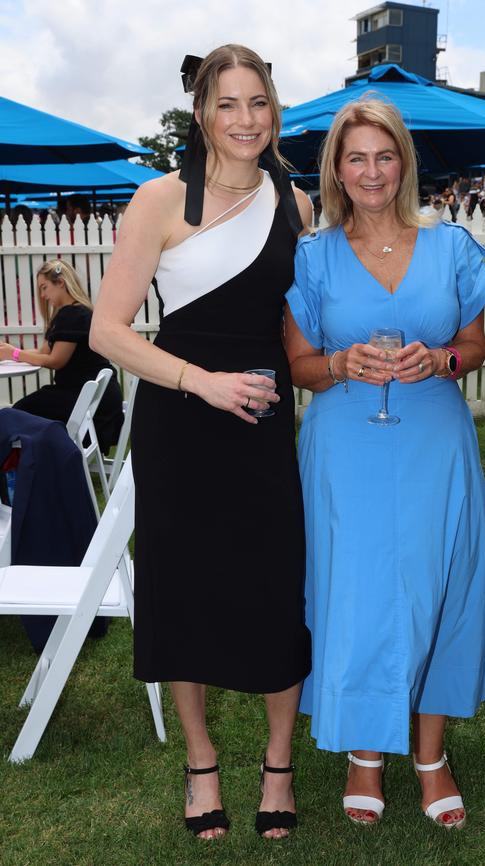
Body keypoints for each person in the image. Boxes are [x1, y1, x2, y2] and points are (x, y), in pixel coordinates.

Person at [90, 44, 312, 841]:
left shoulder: (296, 203)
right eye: (229, 104)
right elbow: (109, 331)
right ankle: (201, 761)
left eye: (259, 104)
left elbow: (296, 326)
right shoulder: (158, 201)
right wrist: (202, 381)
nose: (246, 120)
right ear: (202, 113)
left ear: (273, 111)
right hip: (181, 423)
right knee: (182, 590)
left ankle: (280, 763)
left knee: (274, 586)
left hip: (261, 425)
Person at [284, 98, 485, 830]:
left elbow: (472, 349)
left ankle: (430, 756)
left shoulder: (451, 247)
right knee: (354, 594)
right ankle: (364, 754)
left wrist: (441, 358)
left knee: (438, 586)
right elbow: (298, 364)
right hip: (344, 445)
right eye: (356, 158)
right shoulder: (312, 255)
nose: (372, 171)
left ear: (404, 163)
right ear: (337, 171)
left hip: (431, 442)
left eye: (385, 156)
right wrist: (339, 361)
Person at [0, 260, 123, 455]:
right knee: (19, 412)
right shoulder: (73, 313)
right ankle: (34, 462)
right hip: (91, 397)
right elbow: (43, 353)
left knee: (15, 414)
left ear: (61, 283)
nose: (42, 295)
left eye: (44, 288)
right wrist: (9, 351)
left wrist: (14, 353)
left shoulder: (73, 315)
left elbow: (56, 360)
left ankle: (23, 468)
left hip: (86, 402)